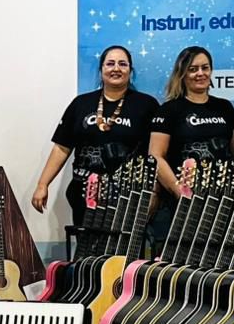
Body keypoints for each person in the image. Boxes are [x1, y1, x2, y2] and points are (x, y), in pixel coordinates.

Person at [32, 45, 158, 225]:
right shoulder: (81, 103)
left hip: (128, 197)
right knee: (87, 242)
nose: (116, 68)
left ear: (130, 71)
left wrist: (154, 192)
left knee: (123, 243)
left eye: (122, 64)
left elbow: (156, 154)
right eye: (110, 64)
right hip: (84, 193)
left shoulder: (147, 105)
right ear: (101, 70)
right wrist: (42, 184)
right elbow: (61, 147)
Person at [147, 46, 234, 250]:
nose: (200, 73)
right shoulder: (169, 110)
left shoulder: (225, 107)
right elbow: (155, 156)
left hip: (223, 203)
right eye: (193, 69)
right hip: (182, 206)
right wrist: (179, 191)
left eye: (205, 68)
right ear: (182, 74)